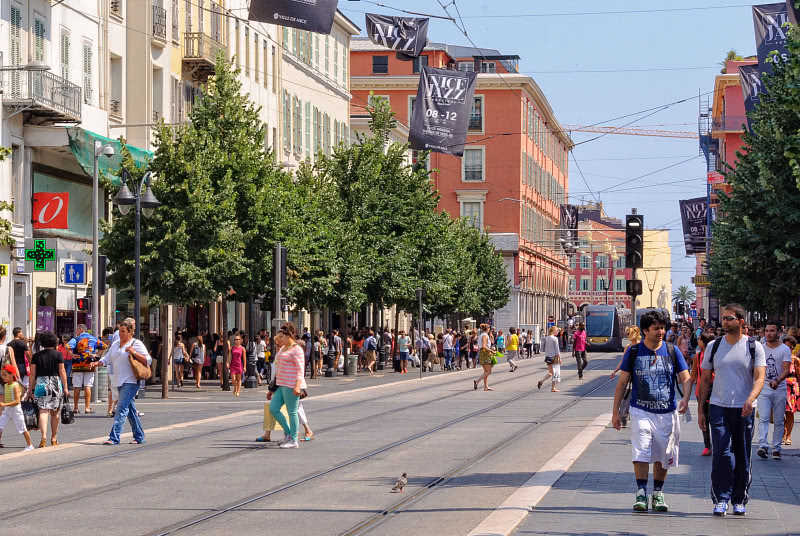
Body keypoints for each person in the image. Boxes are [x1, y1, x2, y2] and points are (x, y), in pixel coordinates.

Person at [613, 310, 691, 513]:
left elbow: (686, 377)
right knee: (641, 449)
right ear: (645, 331)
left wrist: (686, 398)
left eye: (663, 328)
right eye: (657, 328)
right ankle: (641, 492)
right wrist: (615, 413)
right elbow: (622, 383)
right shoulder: (634, 351)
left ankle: (657, 493)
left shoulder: (672, 351)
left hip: (667, 411)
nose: (661, 332)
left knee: (663, 454)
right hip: (640, 410)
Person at [697, 304, 766, 517]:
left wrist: (750, 399)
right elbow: (705, 379)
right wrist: (701, 410)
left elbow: (760, 377)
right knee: (721, 453)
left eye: (730, 318)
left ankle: (738, 499)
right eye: (724, 319)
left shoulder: (754, 347)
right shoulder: (714, 347)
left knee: (742, 455)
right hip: (718, 406)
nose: (725, 322)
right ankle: (721, 498)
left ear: (741, 322)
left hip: (743, 408)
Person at [90, 319, 151, 445]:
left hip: (131, 381)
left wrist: (134, 352)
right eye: (120, 331)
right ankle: (139, 436)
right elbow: (107, 359)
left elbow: (148, 360)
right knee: (131, 411)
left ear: (130, 333)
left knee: (121, 408)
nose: (121, 334)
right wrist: (97, 363)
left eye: (124, 331)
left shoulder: (136, 344)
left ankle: (114, 437)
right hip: (118, 380)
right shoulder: (116, 344)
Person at [755, 320, 792, 460]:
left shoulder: (784, 349)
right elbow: (756, 368)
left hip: (780, 388)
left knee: (778, 420)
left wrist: (778, 381)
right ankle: (763, 445)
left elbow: (786, 369)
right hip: (764, 387)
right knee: (763, 417)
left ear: (778, 333)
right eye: (766, 331)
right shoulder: (760, 348)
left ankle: (776, 448)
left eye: (772, 330)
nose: (768, 333)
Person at [27, 331, 68, 448]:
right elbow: (62, 371)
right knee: (55, 413)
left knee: (43, 411)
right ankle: (54, 438)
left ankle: (43, 437)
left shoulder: (36, 356)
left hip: (41, 384)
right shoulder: (58, 354)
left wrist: (30, 388)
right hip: (55, 384)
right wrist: (65, 386)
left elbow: (32, 373)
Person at [267, 322, 304, 449]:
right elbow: (277, 367)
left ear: (289, 336)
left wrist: (298, 386)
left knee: (292, 412)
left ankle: (294, 439)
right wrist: (272, 389)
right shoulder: (283, 349)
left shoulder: (297, 350)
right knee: (273, 408)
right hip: (280, 384)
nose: (280, 338)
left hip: (291, 384)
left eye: (282, 336)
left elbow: (300, 369)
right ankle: (288, 433)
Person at [689, 332, 716, 456]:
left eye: (700, 339)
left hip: (715, 392)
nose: (698, 341)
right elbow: (693, 376)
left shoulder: (716, 356)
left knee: (714, 419)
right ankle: (707, 446)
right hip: (700, 392)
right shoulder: (698, 356)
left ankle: (716, 445)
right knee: (704, 419)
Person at [68, 324, 106, 414]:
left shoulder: (76, 339)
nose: (76, 331)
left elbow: (67, 346)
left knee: (77, 386)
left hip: (77, 365)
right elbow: (104, 346)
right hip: (89, 364)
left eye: (77, 329)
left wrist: (72, 355)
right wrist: (97, 354)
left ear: (81, 329)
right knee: (88, 386)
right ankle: (87, 408)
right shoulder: (93, 338)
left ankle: (76, 408)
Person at [0, 366, 33, 451]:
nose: (3, 377)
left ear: (11, 375)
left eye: (5, 375)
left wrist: (4, 404)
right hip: (7, 410)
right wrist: (4, 404)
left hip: (16, 410)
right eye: (2, 375)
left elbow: (17, 401)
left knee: (22, 427)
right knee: (0, 425)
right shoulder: (6, 385)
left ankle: (30, 445)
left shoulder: (15, 386)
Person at [783, 336, 799, 445]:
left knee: (790, 414)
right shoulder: (779, 359)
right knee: (779, 413)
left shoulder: (796, 360)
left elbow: (799, 375)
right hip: (780, 388)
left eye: (789, 347)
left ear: (793, 348)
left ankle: (788, 436)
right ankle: (783, 432)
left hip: (792, 389)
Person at [538, 326, 562, 392]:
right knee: (555, 373)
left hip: (548, 357)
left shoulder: (545, 338)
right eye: (557, 330)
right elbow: (557, 350)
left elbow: (542, 349)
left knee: (551, 372)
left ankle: (541, 381)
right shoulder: (555, 339)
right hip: (554, 357)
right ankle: (553, 388)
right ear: (553, 331)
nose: (557, 332)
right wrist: (559, 358)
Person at [472, 324, 494, 391]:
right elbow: (484, 346)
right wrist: (491, 350)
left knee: (486, 371)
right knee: (489, 371)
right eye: (489, 328)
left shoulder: (482, 335)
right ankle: (477, 381)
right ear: (488, 328)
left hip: (483, 353)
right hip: (485, 353)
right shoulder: (484, 335)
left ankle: (486, 387)